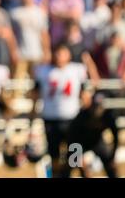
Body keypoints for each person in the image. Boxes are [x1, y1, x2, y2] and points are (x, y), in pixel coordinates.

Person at [30, 43, 89, 177]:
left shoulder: (76, 70)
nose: (59, 56)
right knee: (54, 157)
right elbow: (35, 95)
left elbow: (85, 96)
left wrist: (85, 118)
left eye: (62, 53)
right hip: (51, 119)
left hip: (72, 120)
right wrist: (32, 117)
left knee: (76, 156)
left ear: (68, 55)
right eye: (57, 53)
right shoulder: (44, 71)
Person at [62, 92, 118, 178]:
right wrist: (78, 157)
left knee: (109, 164)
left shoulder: (108, 116)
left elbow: (116, 136)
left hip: (97, 141)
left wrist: (112, 156)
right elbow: (71, 137)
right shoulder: (82, 116)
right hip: (79, 142)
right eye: (95, 105)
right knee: (71, 164)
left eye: (100, 106)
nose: (97, 109)